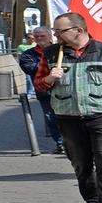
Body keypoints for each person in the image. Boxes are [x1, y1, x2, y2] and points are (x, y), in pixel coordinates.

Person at [35, 12, 102, 203]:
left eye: (60, 31)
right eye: (55, 31)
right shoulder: (51, 54)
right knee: (81, 164)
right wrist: (49, 78)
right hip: (68, 117)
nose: (56, 35)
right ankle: (91, 200)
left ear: (78, 30)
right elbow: (39, 84)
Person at [18, 26, 63, 155]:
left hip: (64, 90)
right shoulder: (28, 54)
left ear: (50, 36)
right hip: (44, 91)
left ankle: (73, 142)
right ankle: (60, 143)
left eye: (42, 36)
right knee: (51, 118)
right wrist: (50, 66)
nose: (39, 38)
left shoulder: (61, 50)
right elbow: (30, 68)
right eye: (36, 36)